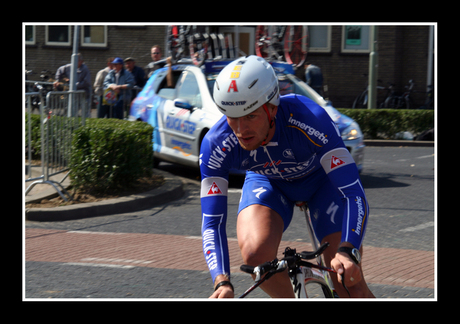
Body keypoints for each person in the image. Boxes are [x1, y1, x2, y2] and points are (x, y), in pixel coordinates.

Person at [200, 55, 374, 298]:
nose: (240, 129)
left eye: (250, 115)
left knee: (347, 280)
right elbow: (212, 220)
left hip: (321, 182)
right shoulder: (216, 143)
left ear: (272, 107)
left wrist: (348, 250)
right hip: (269, 183)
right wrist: (221, 281)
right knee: (256, 258)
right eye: (231, 116)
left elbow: (353, 193)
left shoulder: (308, 118)